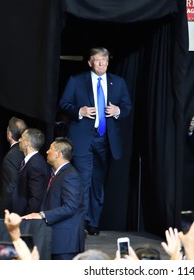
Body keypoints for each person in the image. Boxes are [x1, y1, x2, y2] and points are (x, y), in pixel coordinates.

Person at [59, 47, 132, 236]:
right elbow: (64, 103)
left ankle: (93, 222)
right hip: (83, 138)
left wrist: (118, 111)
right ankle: (80, 221)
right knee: (83, 180)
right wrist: (79, 111)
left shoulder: (118, 82)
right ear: (90, 62)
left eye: (105, 61)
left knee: (98, 184)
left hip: (105, 140)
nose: (102, 64)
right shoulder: (76, 81)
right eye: (98, 60)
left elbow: (127, 106)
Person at [22, 137, 85, 260]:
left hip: (65, 243)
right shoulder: (58, 173)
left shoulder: (70, 175)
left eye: (50, 149)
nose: (46, 151)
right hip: (58, 241)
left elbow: (70, 207)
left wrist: (42, 215)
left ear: (58, 154)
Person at [12, 128, 50, 216]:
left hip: (25, 219)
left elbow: (35, 198)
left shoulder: (35, 165)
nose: (19, 140)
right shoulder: (32, 161)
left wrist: (26, 219)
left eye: (21, 138)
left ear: (27, 143)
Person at [0, 117, 27, 217]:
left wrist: (2, 214)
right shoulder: (26, 152)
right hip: (25, 208)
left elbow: (8, 189)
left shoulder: (11, 157)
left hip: (11, 212)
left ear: (9, 134)